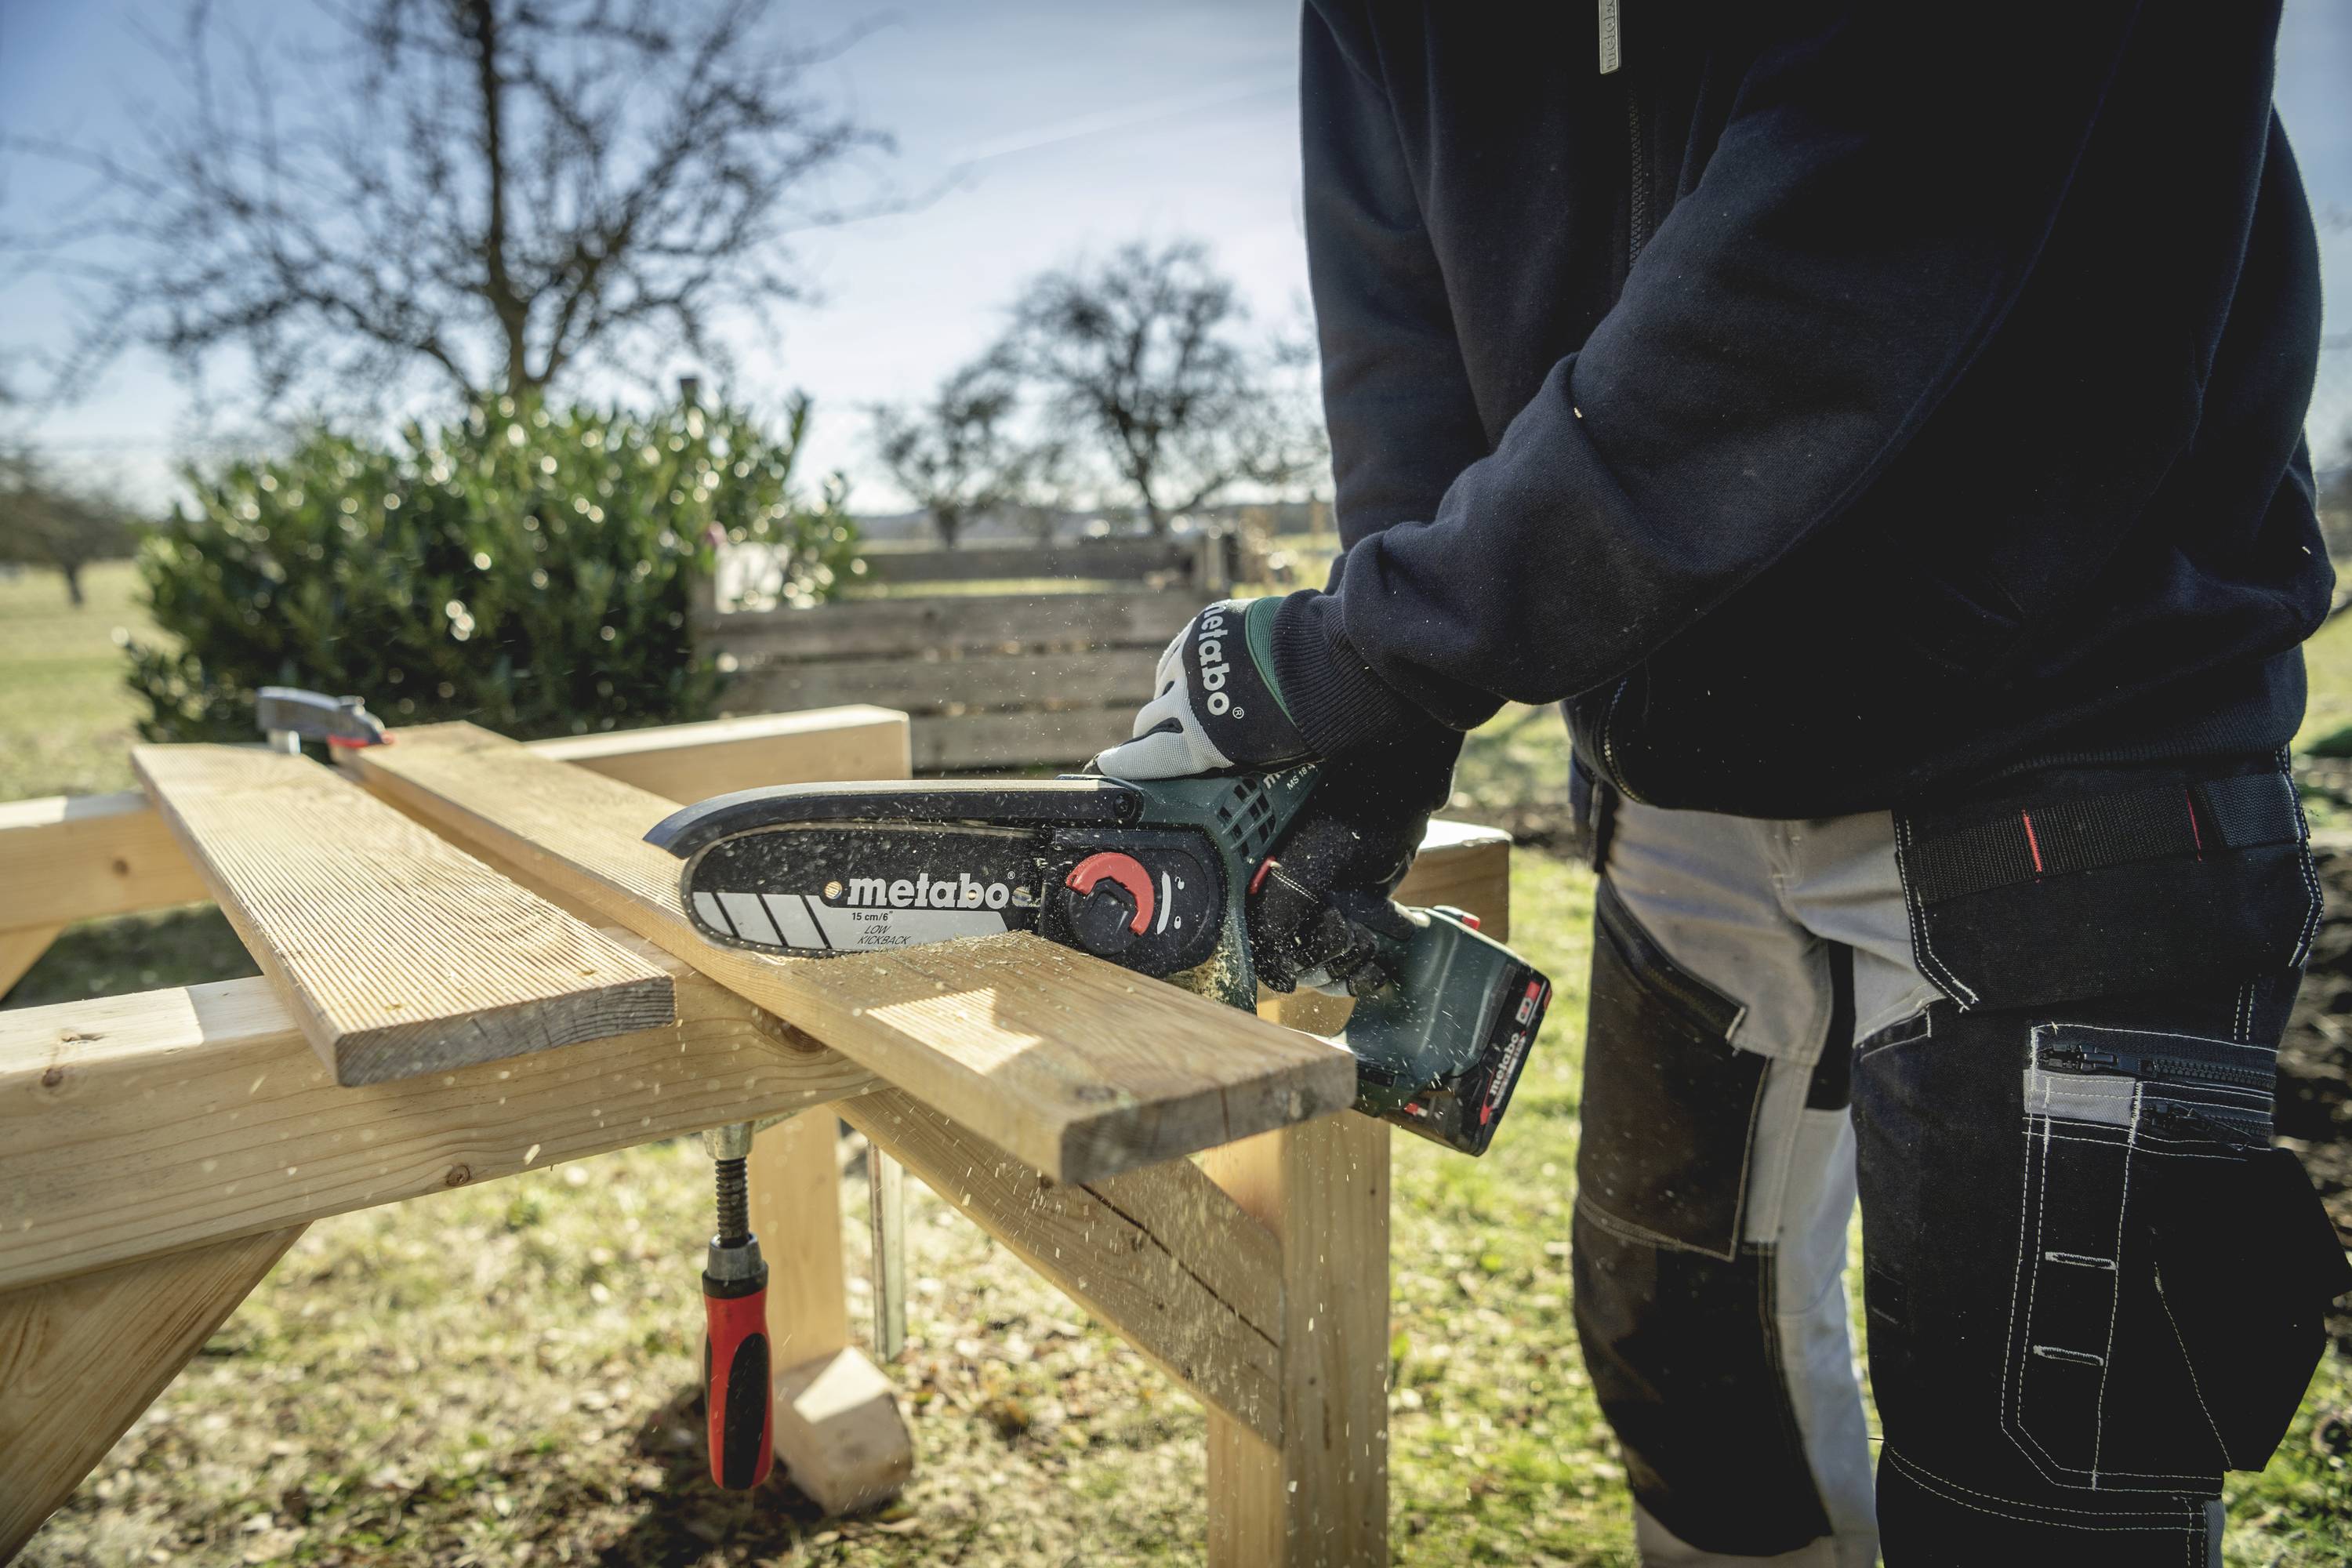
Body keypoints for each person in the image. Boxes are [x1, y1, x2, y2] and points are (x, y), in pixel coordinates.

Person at [1091, 5, 2352, 1565]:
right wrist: (1388, 715)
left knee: (2037, 1498)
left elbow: (1881, 190)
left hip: (2069, 729)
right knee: (1686, 1383)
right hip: (1684, 767)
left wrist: (1394, 638)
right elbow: (1401, 335)